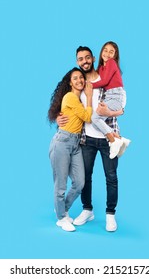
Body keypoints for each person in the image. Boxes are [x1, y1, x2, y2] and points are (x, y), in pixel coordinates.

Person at [57, 46, 124, 232]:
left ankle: (111, 214)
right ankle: (87, 210)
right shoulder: (78, 82)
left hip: (108, 137)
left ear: (93, 58)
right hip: (86, 140)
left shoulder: (106, 76)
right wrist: (57, 116)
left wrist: (114, 111)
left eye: (87, 58)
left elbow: (121, 104)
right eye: (80, 59)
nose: (84, 61)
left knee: (111, 177)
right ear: (77, 61)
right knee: (85, 177)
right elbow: (63, 104)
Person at [48, 67, 93, 232]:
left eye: (81, 77)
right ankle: (61, 218)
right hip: (62, 142)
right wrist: (89, 97)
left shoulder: (77, 99)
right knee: (60, 185)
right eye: (75, 78)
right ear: (70, 82)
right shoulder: (70, 97)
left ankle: (62, 208)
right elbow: (87, 117)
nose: (80, 80)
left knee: (80, 182)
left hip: (75, 145)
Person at [91, 41, 131, 159]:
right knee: (96, 121)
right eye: (105, 50)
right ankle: (120, 139)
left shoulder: (112, 63)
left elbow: (104, 82)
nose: (108, 54)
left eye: (111, 52)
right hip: (110, 96)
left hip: (116, 96)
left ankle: (114, 141)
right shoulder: (101, 68)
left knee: (95, 118)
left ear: (115, 55)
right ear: (101, 51)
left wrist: (89, 85)